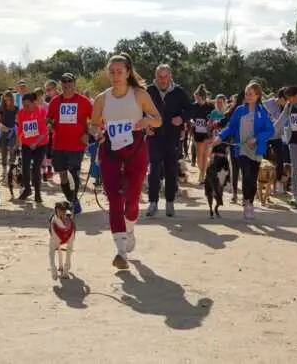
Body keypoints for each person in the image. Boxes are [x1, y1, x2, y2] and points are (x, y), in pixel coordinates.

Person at [91, 54, 161, 269]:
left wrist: (145, 121)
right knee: (114, 198)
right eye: (111, 72)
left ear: (128, 72)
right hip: (110, 150)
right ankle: (121, 250)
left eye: (119, 71)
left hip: (136, 150)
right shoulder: (102, 99)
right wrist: (97, 132)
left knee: (132, 198)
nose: (115, 76)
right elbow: (94, 124)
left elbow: (158, 119)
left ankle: (129, 228)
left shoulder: (139, 95)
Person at [213, 82, 274, 220]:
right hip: (241, 149)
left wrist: (257, 138)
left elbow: (270, 130)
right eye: (246, 93)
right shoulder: (240, 110)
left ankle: (250, 202)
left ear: (258, 96)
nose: (247, 96)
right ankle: (247, 204)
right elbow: (231, 127)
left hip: (257, 150)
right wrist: (220, 136)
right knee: (246, 175)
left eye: (250, 94)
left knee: (252, 179)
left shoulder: (262, 112)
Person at [146, 64, 190, 218]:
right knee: (154, 170)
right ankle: (153, 202)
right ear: (156, 76)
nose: (163, 80)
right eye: (160, 76)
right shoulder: (149, 91)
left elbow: (190, 109)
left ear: (171, 76)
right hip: (154, 136)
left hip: (172, 137)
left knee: (171, 170)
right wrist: (146, 126)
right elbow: (140, 110)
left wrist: (182, 118)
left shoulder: (178, 92)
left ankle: (170, 202)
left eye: (165, 76)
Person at [47, 72, 93, 214]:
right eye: (64, 82)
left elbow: (93, 120)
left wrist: (87, 134)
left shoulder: (84, 101)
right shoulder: (55, 101)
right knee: (62, 175)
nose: (66, 84)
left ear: (74, 83)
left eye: (69, 81)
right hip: (59, 143)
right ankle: (71, 199)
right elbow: (49, 118)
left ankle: (74, 200)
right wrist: (49, 124)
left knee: (74, 173)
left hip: (76, 144)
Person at [16, 93, 49, 202]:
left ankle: (38, 193)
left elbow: (45, 132)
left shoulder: (42, 112)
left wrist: (35, 143)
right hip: (26, 144)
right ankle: (27, 189)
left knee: (36, 168)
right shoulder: (21, 113)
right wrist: (18, 144)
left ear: (34, 103)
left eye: (27, 105)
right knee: (25, 167)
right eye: (23, 105)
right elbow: (20, 130)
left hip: (40, 144)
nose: (25, 108)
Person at [263, 88, 289, 194]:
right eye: (286, 99)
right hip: (264, 136)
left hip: (277, 137)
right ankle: (263, 182)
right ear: (281, 98)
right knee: (263, 160)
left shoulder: (285, 108)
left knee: (280, 159)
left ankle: (278, 182)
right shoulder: (266, 104)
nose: (288, 102)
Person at [189, 84, 215, 184]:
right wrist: (192, 122)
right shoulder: (193, 106)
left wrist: (210, 122)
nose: (197, 100)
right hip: (197, 134)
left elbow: (215, 119)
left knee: (205, 155)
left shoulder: (210, 107)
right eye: (195, 98)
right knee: (199, 157)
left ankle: (202, 176)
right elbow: (190, 117)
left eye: (198, 98)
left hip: (207, 135)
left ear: (203, 97)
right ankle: (202, 171)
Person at [0, 92, 19, 177]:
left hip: (13, 132)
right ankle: (4, 169)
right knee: (3, 151)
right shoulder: (1, 108)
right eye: (5, 100)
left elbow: (18, 121)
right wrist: (1, 126)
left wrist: (17, 126)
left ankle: (11, 170)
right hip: (3, 132)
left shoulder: (16, 108)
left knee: (12, 150)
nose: (7, 101)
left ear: (12, 99)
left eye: (9, 99)